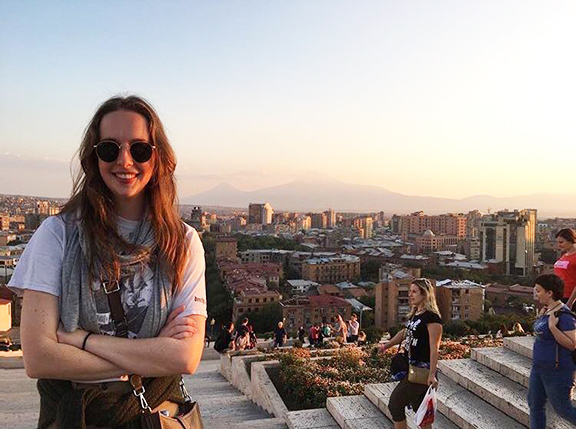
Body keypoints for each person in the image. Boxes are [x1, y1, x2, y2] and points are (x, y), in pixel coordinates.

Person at [7, 95, 207, 428]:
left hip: (154, 414)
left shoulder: (182, 243)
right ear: (94, 157)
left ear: (158, 158)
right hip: (75, 416)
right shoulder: (57, 235)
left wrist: (81, 341)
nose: (124, 161)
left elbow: (185, 356)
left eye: (140, 149)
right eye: (110, 149)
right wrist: (151, 356)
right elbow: (39, 358)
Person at [380, 279, 442, 429]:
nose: (410, 295)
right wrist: (386, 346)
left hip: (422, 372)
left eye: (414, 291)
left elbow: (435, 348)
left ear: (425, 294)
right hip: (411, 368)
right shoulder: (416, 314)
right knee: (421, 411)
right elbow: (405, 333)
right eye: (410, 291)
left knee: (395, 404)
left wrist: (432, 374)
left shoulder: (432, 318)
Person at [528, 273, 576, 428]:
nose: (536, 294)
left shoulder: (564, 315)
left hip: (557, 371)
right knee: (535, 406)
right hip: (539, 368)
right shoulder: (547, 310)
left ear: (550, 293)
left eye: (539, 290)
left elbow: (572, 344)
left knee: (563, 409)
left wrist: (553, 328)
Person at [554, 228, 576, 311]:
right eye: (558, 242)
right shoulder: (565, 255)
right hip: (559, 296)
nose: (559, 245)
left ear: (571, 240)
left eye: (561, 242)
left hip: (570, 298)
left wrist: (570, 302)